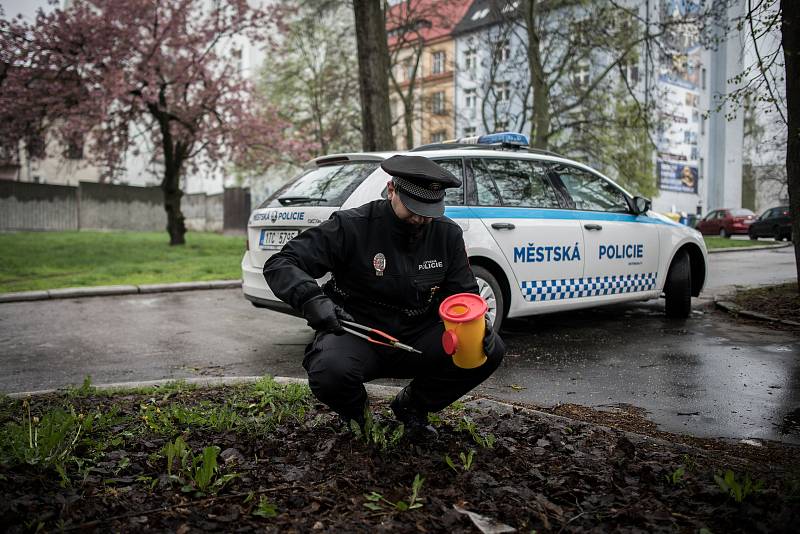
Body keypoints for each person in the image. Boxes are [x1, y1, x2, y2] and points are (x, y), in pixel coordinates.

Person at [263, 155, 505, 436]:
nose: (421, 217)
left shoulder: (446, 234)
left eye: (430, 210)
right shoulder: (351, 226)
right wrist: (312, 300)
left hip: (418, 337)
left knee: (488, 350)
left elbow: (462, 295)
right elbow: (282, 263)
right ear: (392, 190)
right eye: (414, 207)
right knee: (329, 371)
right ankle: (360, 418)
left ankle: (412, 407)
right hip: (358, 333)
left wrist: (477, 325)